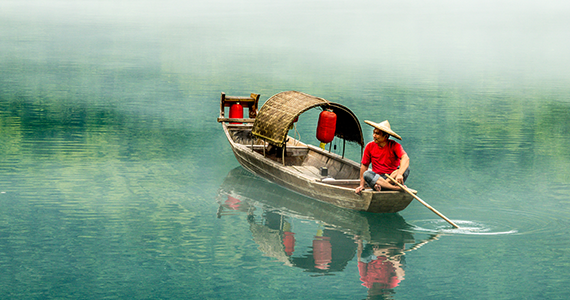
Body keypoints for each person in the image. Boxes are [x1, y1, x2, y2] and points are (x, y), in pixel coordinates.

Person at [355, 120, 410, 194]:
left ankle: (384, 186)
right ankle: (395, 188)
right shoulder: (369, 146)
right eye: (374, 132)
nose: (374, 136)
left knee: (406, 168)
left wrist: (399, 174)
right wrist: (361, 185)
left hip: (392, 178)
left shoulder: (394, 146)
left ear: (386, 136)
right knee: (367, 174)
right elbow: (364, 166)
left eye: (377, 134)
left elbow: (405, 158)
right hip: (377, 178)